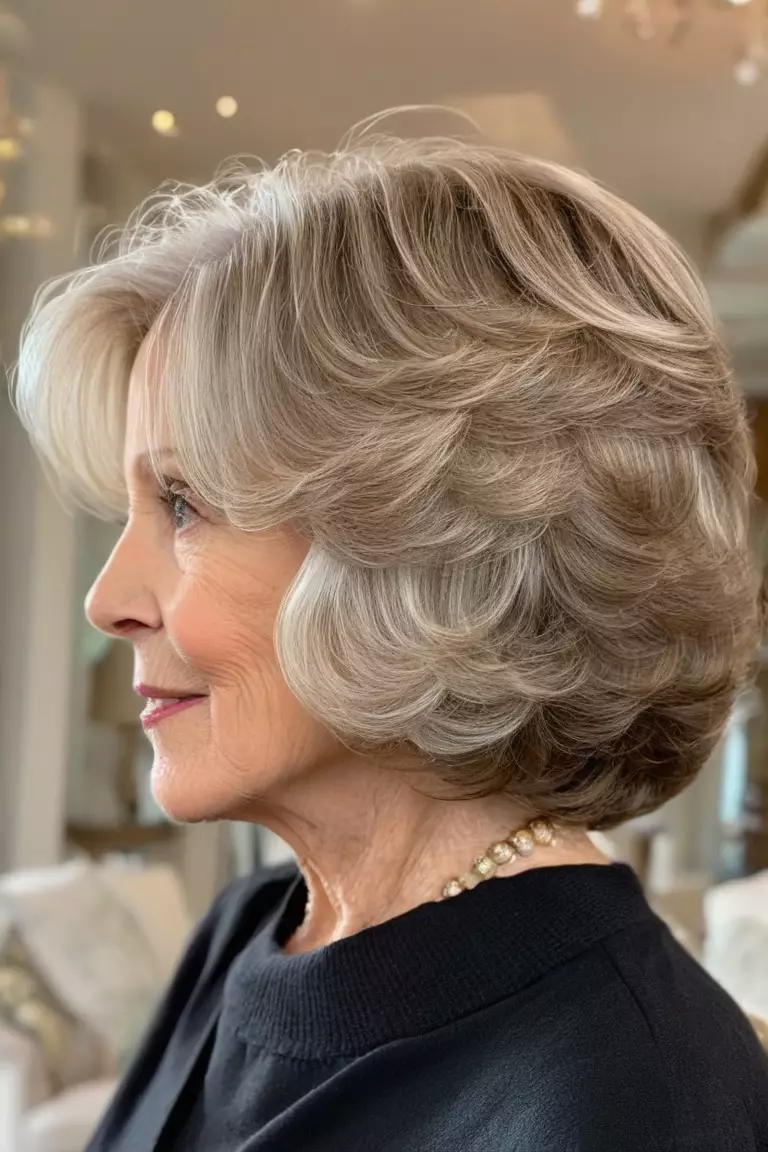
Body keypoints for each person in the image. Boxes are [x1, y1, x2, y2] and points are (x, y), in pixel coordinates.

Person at [13, 122, 768, 1151]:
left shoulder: (629, 1098)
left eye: (184, 504)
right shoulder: (252, 930)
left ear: (430, 542)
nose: (109, 600)